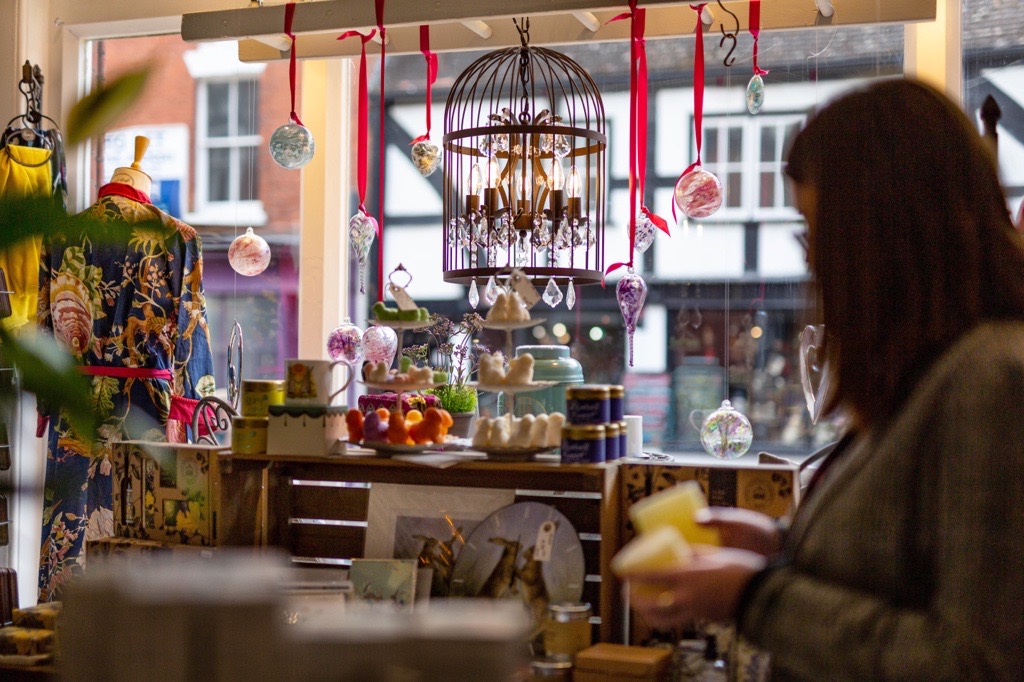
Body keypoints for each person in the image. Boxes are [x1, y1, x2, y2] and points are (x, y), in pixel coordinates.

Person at [627, 79, 1024, 679]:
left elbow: (974, 661)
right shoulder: (928, 369)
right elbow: (904, 561)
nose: (811, 259)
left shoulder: (992, 380)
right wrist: (779, 545)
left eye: (816, 231)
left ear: (887, 233)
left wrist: (754, 598)